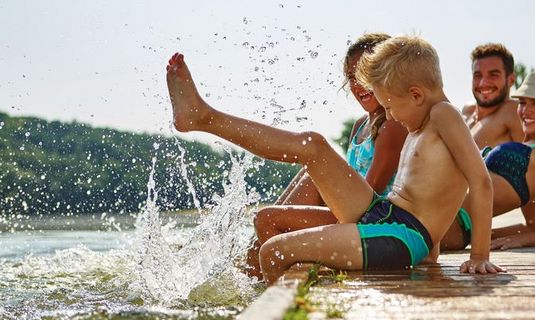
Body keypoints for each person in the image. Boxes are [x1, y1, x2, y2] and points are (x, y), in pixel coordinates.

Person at [166, 35, 504, 286]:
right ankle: (203, 117)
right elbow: (432, 189)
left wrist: (479, 257)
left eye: (390, 106)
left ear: (416, 94)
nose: (389, 115)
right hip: (385, 214)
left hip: (401, 236)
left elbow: (479, 181)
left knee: (273, 251)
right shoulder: (422, 121)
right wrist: (432, 254)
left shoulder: (445, 114)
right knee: (313, 145)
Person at [245, 33, 408, 279]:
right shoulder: (360, 126)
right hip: (351, 214)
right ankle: (249, 274)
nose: (358, 84)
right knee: (309, 175)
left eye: (367, 74)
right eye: (352, 77)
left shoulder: (392, 125)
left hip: (372, 223)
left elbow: (370, 197)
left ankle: (261, 285)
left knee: (268, 218)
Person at [441, 71, 535, 251]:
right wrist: (491, 236)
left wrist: (522, 241)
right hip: (444, 214)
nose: (526, 110)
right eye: (522, 102)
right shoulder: (530, 150)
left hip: (450, 222)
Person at [442, 43, 524, 250]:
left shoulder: (512, 113)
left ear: (511, 79)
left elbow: (532, 176)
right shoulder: (466, 113)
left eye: (494, 74)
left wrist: (481, 235)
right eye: (477, 75)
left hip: (454, 221)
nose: (483, 82)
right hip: (435, 204)